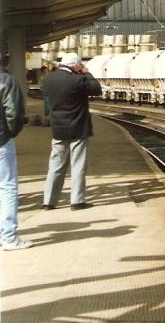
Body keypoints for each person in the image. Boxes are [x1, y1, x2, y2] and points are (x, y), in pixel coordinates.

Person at [41, 53, 102, 210]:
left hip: (58, 129)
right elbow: (96, 89)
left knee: (55, 166)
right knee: (78, 165)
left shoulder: (48, 79)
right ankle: (77, 201)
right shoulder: (78, 80)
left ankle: (48, 201)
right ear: (75, 65)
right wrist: (87, 73)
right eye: (80, 64)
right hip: (78, 129)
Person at [0, 54, 31, 250]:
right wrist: (10, 134)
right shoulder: (6, 80)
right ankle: (9, 237)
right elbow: (15, 113)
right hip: (1, 141)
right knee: (7, 187)